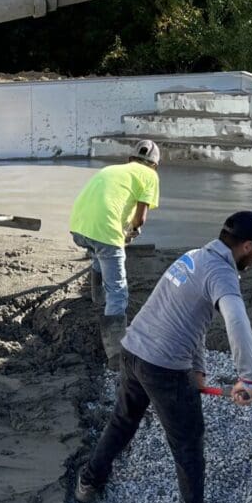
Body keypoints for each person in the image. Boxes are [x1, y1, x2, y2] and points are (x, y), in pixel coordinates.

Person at [75, 210, 252, 503]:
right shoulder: (222, 275)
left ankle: (89, 481)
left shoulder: (194, 257)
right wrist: (248, 378)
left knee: (123, 420)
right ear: (247, 246)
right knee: (188, 445)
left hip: (134, 349)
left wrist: (197, 368)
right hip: (162, 367)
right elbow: (236, 320)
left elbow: (189, 318)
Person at [68, 141, 161, 370]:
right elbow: (140, 219)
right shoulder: (149, 176)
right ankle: (116, 356)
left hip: (78, 229)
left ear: (130, 159)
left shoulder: (110, 170)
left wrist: (122, 231)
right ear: (155, 165)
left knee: (100, 252)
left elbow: (106, 203)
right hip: (105, 233)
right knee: (118, 291)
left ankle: (96, 296)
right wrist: (132, 231)